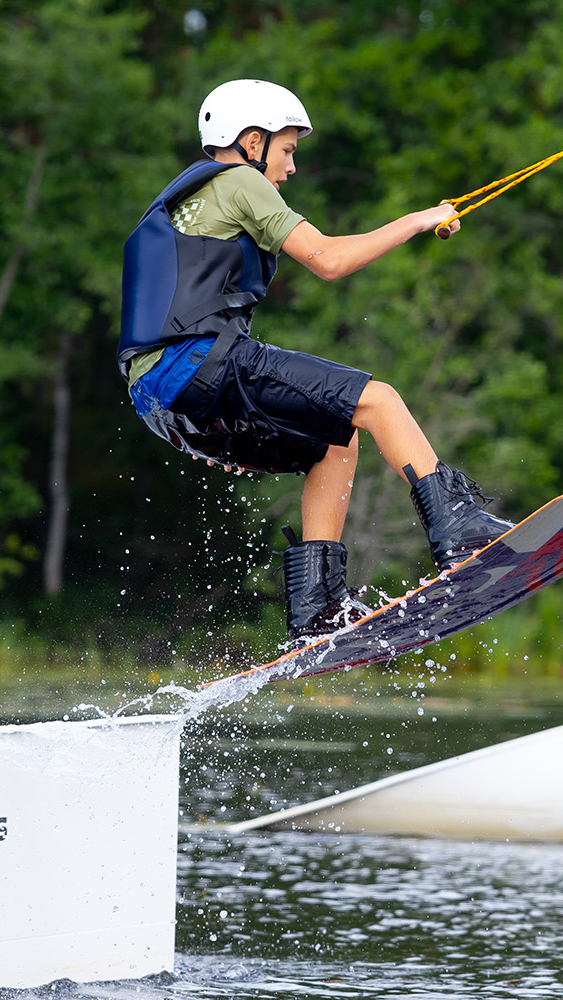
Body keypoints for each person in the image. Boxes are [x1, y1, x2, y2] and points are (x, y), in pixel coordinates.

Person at [119, 79, 516, 643]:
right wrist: (417, 220)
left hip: (160, 396)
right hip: (201, 364)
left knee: (334, 442)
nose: (290, 167)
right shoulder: (239, 180)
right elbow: (328, 260)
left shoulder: (178, 202)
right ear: (252, 142)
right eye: (287, 150)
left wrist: (202, 420)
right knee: (378, 401)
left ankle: (316, 611)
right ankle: (459, 533)